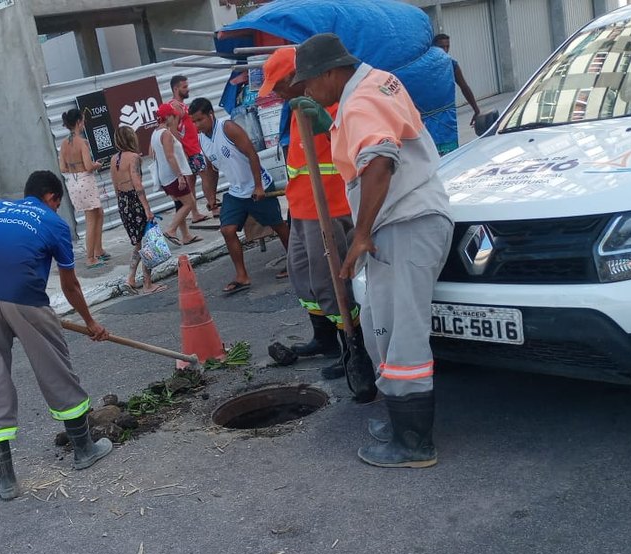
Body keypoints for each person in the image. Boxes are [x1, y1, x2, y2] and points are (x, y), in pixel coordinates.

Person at [294, 33, 453, 468]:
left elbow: (379, 159)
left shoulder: (361, 101)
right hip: (413, 218)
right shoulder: (377, 82)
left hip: (404, 222)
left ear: (330, 72)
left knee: (402, 334)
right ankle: (401, 422)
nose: (307, 91)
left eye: (309, 81)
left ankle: (414, 442)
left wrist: (361, 233)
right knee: (384, 325)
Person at [0, 170, 113, 500]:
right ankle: (84, 451)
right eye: (57, 203)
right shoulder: (55, 223)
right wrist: (91, 323)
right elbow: (70, 284)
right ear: (52, 198)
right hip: (24, 297)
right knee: (55, 370)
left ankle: (6, 482)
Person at [260, 47, 365, 381]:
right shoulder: (295, 107)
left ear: (296, 76)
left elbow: (350, 145)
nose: (275, 94)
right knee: (303, 277)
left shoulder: (330, 101)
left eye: (278, 85)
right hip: (302, 209)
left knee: (332, 285)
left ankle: (356, 348)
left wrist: (326, 123)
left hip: (330, 210)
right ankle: (325, 339)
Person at [188, 98, 290, 295]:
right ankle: (242, 276)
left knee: (278, 226)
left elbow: (252, 154)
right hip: (236, 192)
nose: (196, 125)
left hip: (257, 186)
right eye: (193, 121)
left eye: (199, 120)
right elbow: (211, 170)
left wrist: (259, 186)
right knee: (227, 230)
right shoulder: (202, 139)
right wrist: (210, 196)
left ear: (210, 115)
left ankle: (296, 262)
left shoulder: (228, 128)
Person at [110, 126, 168, 296]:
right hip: (135, 201)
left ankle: (131, 278)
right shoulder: (134, 157)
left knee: (138, 243)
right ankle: (147, 283)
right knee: (147, 242)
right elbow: (138, 184)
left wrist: (123, 205)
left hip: (123, 202)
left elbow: (115, 186)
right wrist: (147, 209)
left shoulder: (114, 159)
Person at [58, 108, 109, 268]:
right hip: (85, 180)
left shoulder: (64, 143)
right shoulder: (82, 143)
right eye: (83, 120)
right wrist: (96, 165)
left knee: (98, 212)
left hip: (73, 181)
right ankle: (90, 257)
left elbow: (63, 168)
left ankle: (99, 250)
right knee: (91, 219)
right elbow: (88, 166)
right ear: (79, 122)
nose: (85, 123)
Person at [168, 75, 216, 220]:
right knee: (205, 175)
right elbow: (173, 129)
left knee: (192, 182)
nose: (187, 89)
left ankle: (195, 213)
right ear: (176, 89)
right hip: (190, 149)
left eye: (187, 86)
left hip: (192, 147)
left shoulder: (181, 105)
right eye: (184, 87)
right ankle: (213, 207)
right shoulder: (174, 106)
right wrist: (181, 148)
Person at [151, 103, 200, 247]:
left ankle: (186, 235)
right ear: (168, 117)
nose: (176, 117)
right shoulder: (165, 134)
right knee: (190, 202)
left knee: (180, 203)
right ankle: (171, 230)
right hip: (173, 175)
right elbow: (170, 156)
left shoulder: (155, 133)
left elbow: (151, 153)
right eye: (173, 115)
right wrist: (180, 175)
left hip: (165, 176)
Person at [433, 33, 481, 156]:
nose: (445, 50)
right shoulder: (426, 66)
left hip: (447, 115)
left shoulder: (452, 64)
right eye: (441, 47)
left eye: (447, 46)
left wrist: (476, 110)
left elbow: (464, 86)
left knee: (449, 154)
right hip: (428, 116)